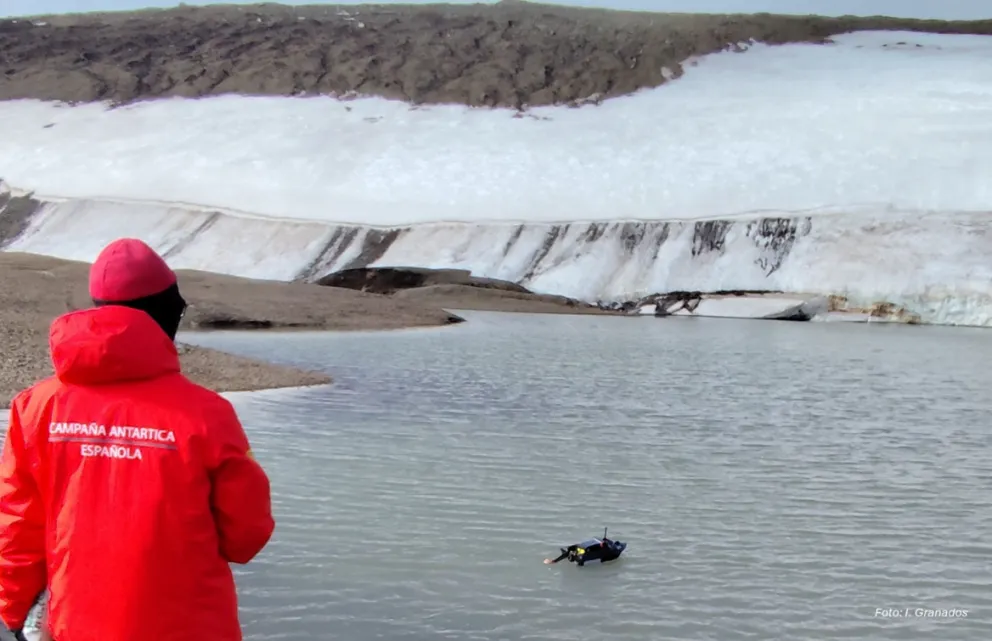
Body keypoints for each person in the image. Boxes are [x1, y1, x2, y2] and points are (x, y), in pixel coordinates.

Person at [0, 238, 276, 641]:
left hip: (74, 624)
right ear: (167, 313)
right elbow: (246, 536)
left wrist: (15, 613)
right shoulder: (207, 414)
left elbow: (17, 526)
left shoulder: (35, 407)